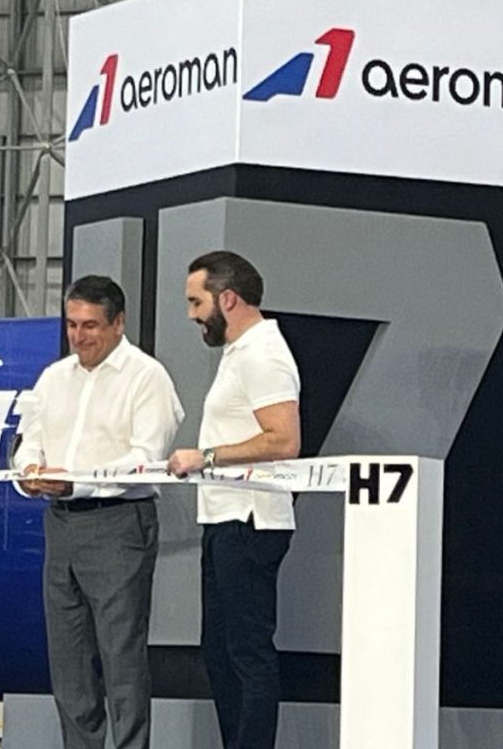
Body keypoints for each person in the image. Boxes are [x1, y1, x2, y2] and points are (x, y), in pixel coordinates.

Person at [13, 275, 184, 749]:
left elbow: (145, 458)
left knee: (121, 657)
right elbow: (29, 439)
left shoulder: (147, 377)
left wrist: (78, 480)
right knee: (68, 660)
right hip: (61, 522)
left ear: (118, 323)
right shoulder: (53, 378)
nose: (79, 335)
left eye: (90, 325)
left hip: (118, 524)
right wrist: (29, 470)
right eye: (72, 324)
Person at [167, 251, 301, 749]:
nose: (191, 315)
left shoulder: (263, 354)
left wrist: (205, 456)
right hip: (226, 516)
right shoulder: (241, 352)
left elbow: (284, 440)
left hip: (249, 519)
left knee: (246, 653)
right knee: (221, 653)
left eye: (195, 302)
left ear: (227, 299)